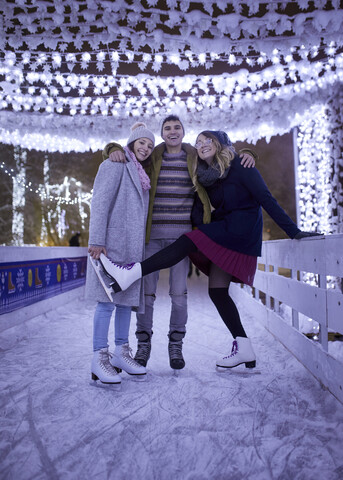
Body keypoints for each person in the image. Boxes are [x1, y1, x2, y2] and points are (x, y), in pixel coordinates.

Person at [98, 130, 322, 371]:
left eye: (208, 141)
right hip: (226, 229)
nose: (202, 145)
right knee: (217, 292)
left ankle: (130, 273)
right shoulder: (209, 175)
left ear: (220, 143)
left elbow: (266, 199)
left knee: (187, 240)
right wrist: (113, 148)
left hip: (241, 231)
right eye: (199, 142)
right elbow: (205, 204)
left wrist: (294, 232)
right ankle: (244, 347)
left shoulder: (241, 165)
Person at [103, 116, 257, 371]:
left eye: (177, 128)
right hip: (151, 235)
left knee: (179, 295)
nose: (172, 131)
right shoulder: (153, 156)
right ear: (162, 133)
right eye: (167, 128)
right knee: (147, 295)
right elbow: (130, 152)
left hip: (181, 238)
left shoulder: (195, 156)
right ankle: (144, 345)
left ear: (184, 132)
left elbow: (224, 155)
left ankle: (176, 345)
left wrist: (249, 153)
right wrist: (112, 148)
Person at [86, 122, 155, 386]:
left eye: (149, 145)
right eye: (141, 143)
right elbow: (100, 202)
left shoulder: (142, 175)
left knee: (126, 301)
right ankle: (99, 355)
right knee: (106, 301)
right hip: (110, 245)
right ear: (131, 143)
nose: (146, 149)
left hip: (131, 249)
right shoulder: (115, 164)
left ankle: (121, 352)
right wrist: (96, 239)